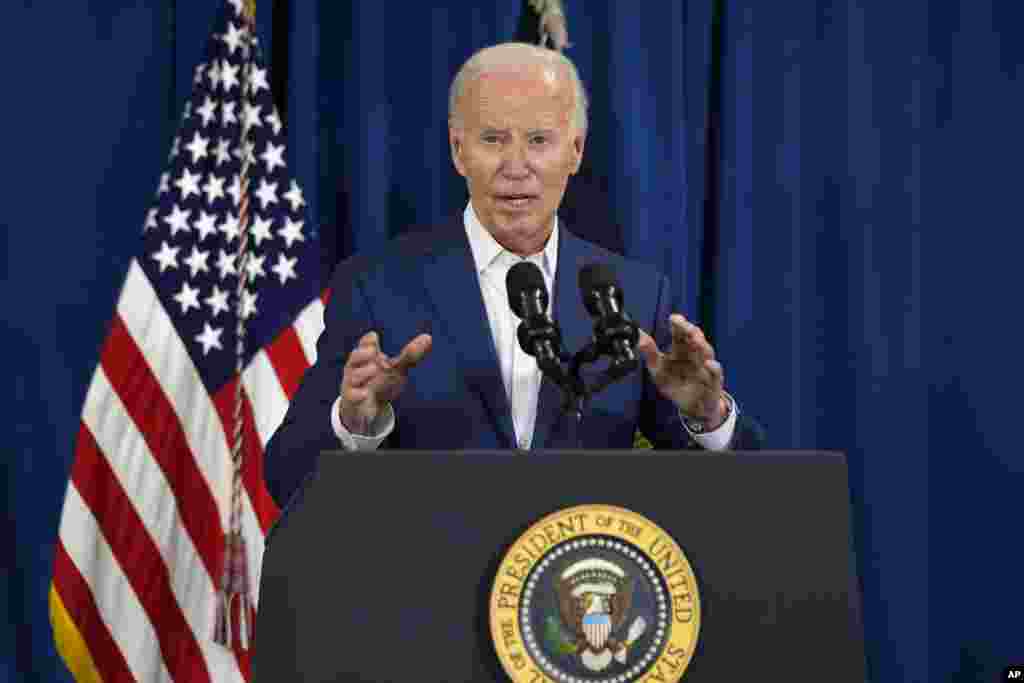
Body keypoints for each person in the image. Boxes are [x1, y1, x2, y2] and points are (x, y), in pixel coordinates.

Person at [263, 43, 764, 508]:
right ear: (459, 151)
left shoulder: (629, 294)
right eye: (493, 139)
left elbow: (739, 496)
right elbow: (287, 476)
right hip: (430, 591)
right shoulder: (378, 287)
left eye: (539, 140)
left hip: (575, 590)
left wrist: (707, 416)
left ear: (575, 151)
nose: (516, 165)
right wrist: (355, 423)